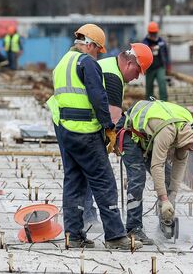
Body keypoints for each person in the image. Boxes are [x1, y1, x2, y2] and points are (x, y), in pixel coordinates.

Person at [46, 23, 142, 250]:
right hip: (86, 132)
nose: (97, 55)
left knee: (74, 182)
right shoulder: (86, 62)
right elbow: (98, 98)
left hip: (65, 130)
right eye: (97, 49)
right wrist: (108, 127)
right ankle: (115, 236)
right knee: (104, 182)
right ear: (89, 44)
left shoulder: (62, 63)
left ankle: (74, 234)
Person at [117, 100, 193, 239]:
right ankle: (133, 228)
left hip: (148, 137)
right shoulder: (169, 131)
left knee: (168, 176)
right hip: (129, 131)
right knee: (137, 177)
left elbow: (179, 165)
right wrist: (164, 200)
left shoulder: (185, 132)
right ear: (192, 136)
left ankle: (165, 220)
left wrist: (172, 195)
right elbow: (156, 166)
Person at [81, 43, 154, 232]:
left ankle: (85, 216)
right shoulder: (113, 76)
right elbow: (113, 117)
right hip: (84, 125)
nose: (137, 77)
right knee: (97, 174)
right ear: (130, 65)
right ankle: (88, 217)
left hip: (74, 122)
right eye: (138, 72)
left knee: (84, 172)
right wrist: (122, 138)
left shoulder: (108, 65)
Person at [142, 21, 170, 101]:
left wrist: (168, 65)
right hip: (150, 68)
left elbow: (166, 53)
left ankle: (164, 102)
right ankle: (149, 104)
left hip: (159, 67)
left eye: (154, 33)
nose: (153, 35)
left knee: (162, 85)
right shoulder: (145, 42)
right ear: (149, 33)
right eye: (152, 33)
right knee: (149, 88)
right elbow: (142, 54)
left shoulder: (161, 42)